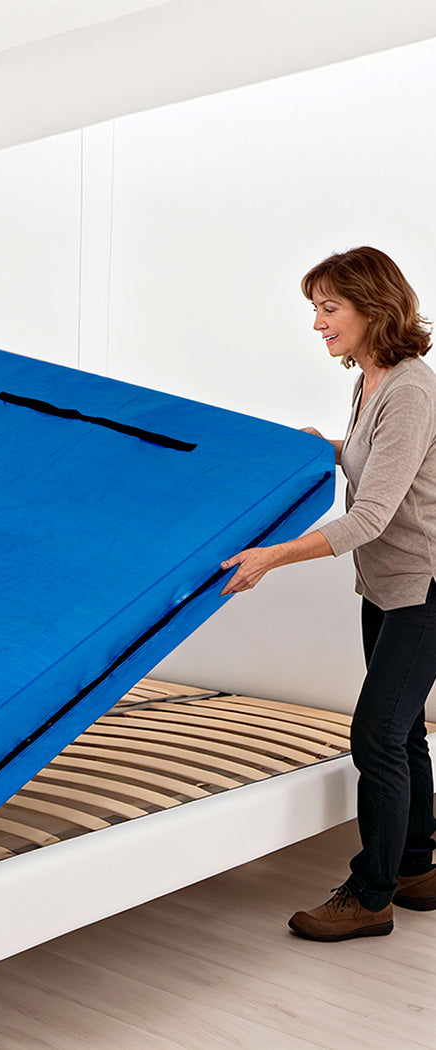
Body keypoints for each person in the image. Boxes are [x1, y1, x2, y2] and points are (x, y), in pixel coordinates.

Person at [221, 245, 436, 942]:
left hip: (424, 588)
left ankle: (370, 896)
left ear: (373, 308)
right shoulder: (371, 382)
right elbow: (383, 465)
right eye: (315, 308)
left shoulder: (410, 389)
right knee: (404, 732)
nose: (317, 323)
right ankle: (417, 869)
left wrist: (272, 558)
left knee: (376, 735)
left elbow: (370, 515)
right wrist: (331, 448)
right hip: (386, 583)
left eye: (328, 308)